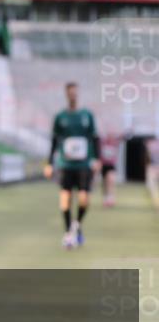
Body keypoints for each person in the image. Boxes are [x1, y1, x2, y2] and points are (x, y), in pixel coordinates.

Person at [44, 82, 100, 250]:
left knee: (84, 199)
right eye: (70, 93)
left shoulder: (87, 115)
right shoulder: (60, 117)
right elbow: (54, 141)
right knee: (65, 198)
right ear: (66, 95)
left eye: (76, 93)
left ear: (78, 94)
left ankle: (77, 224)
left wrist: (97, 158)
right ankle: (68, 232)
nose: (73, 95)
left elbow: (95, 138)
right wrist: (49, 163)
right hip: (65, 164)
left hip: (83, 164)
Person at [99, 131, 121, 207]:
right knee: (105, 183)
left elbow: (123, 136)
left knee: (111, 180)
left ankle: (111, 198)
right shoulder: (102, 142)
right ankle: (106, 198)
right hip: (103, 165)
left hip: (111, 165)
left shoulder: (115, 142)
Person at [146, 134, 159, 211]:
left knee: (152, 185)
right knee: (152, 185)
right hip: (153, 166)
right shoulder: (150, 145)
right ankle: (155, 201)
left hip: (154, 166)